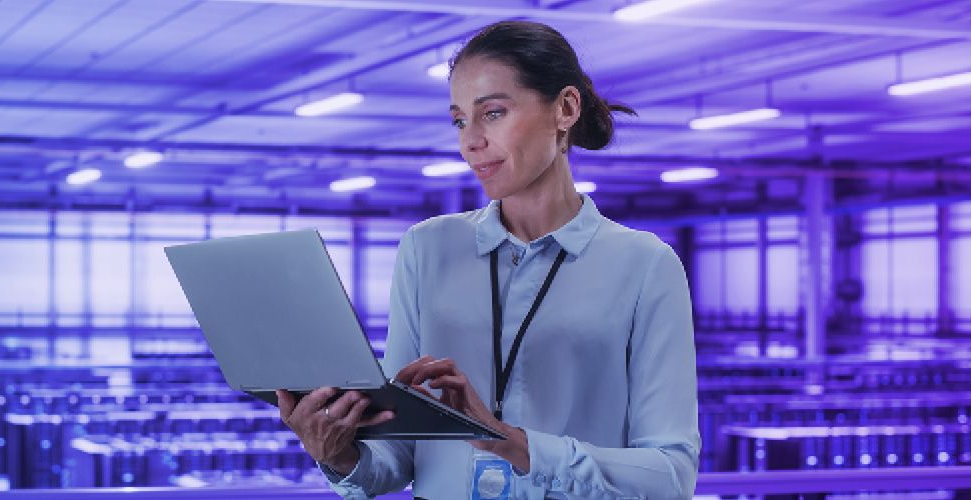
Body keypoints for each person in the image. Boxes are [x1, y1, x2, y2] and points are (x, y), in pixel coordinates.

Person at [275, 21, 700, 499]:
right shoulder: (426, 249)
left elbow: (671, 475)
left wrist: (511, 443)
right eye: (459, 120)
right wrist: (339, 453)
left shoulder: (645, 265)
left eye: (492, 113)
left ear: (565, 108)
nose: (470, 140)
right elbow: (398, 455)